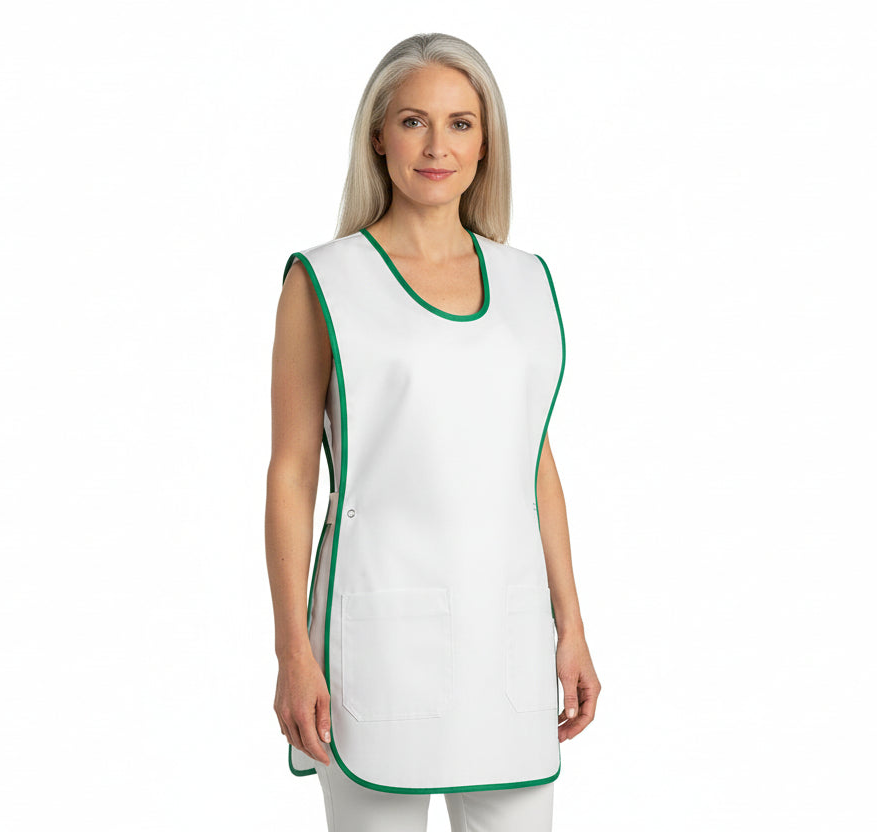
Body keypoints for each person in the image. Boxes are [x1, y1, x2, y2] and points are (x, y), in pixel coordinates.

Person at [265, 32, 600, 831]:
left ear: (486, 145)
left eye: (460, 123)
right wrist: (292, 652)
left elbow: (534, 466)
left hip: (507, 635)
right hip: (375, 634)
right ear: (379, 136)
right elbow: (291, 474)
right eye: (414, 121)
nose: (437, 146)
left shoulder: (525, 282)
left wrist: (573, 626)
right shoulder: (326, 281)